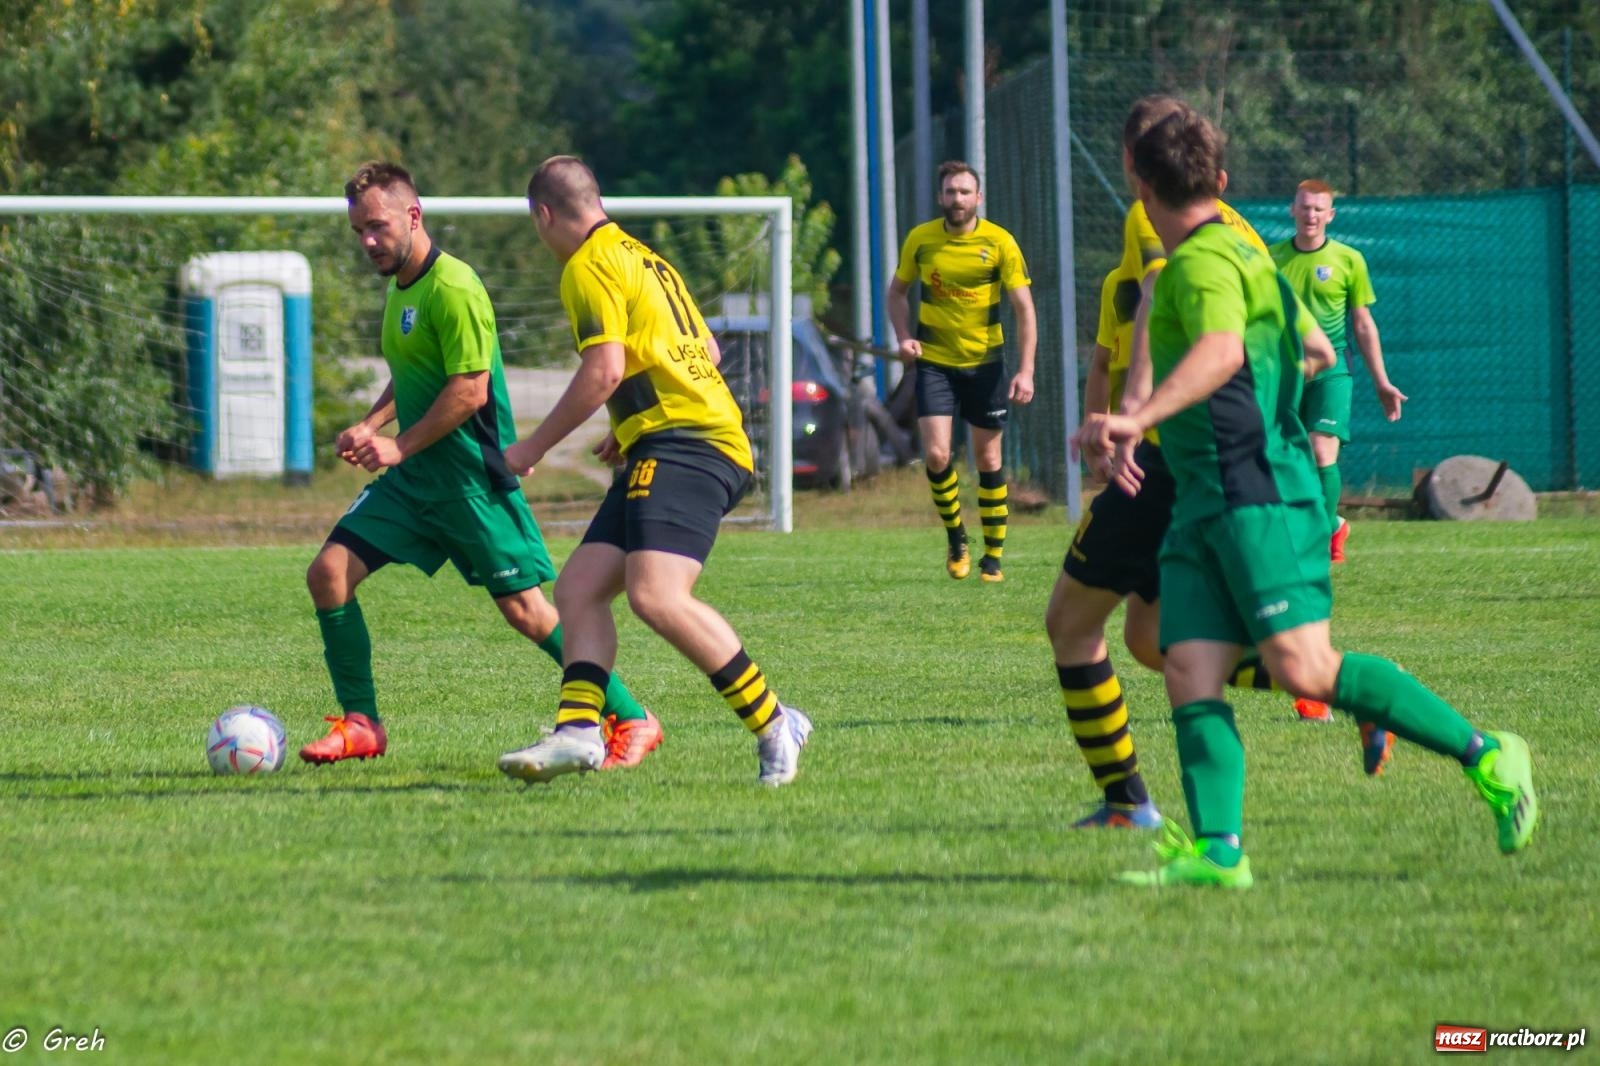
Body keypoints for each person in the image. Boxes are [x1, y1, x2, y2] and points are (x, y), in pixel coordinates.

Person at [1078, 108, 1537, 888]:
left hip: (1256, 490)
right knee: (1186, 663)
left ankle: (1488, 754)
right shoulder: (1245, 255)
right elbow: (1319, 348)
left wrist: (1139, 414)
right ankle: (1220, 853)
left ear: (1136, 177)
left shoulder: (1197, 267)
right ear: (1220, 183)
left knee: (1304, 669)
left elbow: (1224, 351)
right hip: (1202, 496)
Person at [1047, 97, 1375, 834]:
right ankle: (1338, 698)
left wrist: (1134, 419)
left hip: (1171, 458)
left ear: (1137, 169)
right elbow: (1299, 345)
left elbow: (1168, 324)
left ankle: (1130, 803)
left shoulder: (1159, 216)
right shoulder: (1242, 233)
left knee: (1071, 624)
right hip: (1205, 456)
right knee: (1149, 638)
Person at [301, 161, 661, 770]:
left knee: (526, 610)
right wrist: (371, 424)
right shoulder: (400, 288)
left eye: (377, 226)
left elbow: (468, 390)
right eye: (358, 229)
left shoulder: (456, 287)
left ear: (413, 217)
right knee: (328, 574)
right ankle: (362, 723)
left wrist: (396, 445)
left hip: (470, 480)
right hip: (415, 483)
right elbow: (414, 371)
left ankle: (630, 716)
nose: (367, 240)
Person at [495, 155, 811, 787]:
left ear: (544, 215)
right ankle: (579, 732)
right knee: (579, 589)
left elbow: (605, 370)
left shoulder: (585, 266)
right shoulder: (644, 256)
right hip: (678, 436)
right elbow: (706, 350)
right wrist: (628, 424)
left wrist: (529, 449)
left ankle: (776, 721)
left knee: (655, 595)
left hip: (689, 444)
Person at [886, 160, 1037, 583]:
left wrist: (1025, 370)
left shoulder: (1000, 242)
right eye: (951, 192)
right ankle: (957, 537)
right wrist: (902, 336)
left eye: (965, 192)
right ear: (940, 198)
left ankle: (993, 556)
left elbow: (1024, 310)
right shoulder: (921, 240)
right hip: (935, 362)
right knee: (936, 454)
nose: (957, 199)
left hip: (986, 364)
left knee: (989, 457)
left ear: (978, 198)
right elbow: (896, 293)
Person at [1270, 179, 1406, 566]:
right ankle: (1332, 524)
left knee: (1320, 450)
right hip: (1286, 371)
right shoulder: (1271, 259)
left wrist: (1382, 381)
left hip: (1333, 370)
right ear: (1292, 210)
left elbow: (1363, 324)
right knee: (1282, 458)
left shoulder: (1349, 260)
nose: (1310, 215)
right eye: (1304, 207)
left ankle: (1316, 540)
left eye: (1318, 209)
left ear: (1330, 215)